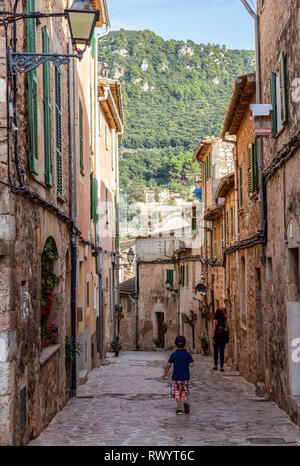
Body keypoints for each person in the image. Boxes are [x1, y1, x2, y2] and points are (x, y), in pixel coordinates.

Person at [163, 335, 195, 415]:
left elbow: (168, 365)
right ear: (185, 344)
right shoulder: (187, 354)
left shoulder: (173, 354)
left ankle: (179, 408)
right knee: (185, 391)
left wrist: (165, 374)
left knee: (177, 392)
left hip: (176, 377)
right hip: (185, 377)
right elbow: (192, 364)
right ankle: (185, 402)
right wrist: (190, 363)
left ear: (175, 344)